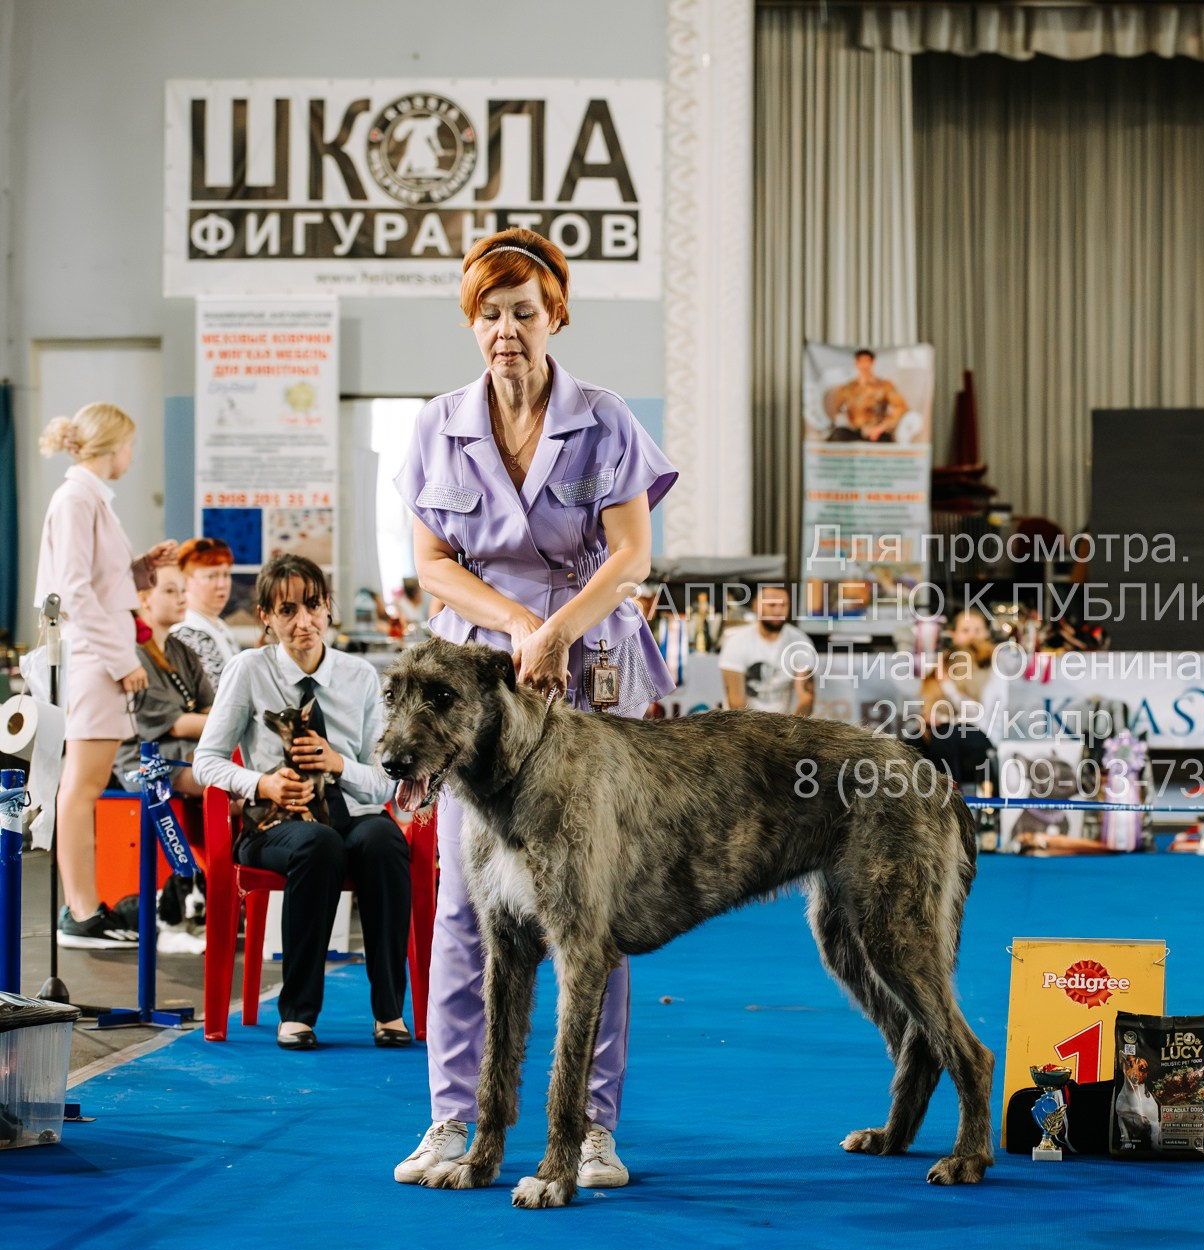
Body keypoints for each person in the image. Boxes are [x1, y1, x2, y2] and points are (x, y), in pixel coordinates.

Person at [393, 227, 676, 1189]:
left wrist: (558, 630)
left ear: (556, 314)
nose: (506, 330)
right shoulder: (437, 424)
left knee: (590, 908)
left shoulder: (605, 419)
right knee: (468, 907)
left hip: (590, 673)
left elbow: (631, 555)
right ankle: (450, 1120)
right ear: (470, 324)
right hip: (473, 688)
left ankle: (592, 1126)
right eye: (488, 313)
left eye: (523, 310)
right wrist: (520, 621)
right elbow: (432, 563)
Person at [193, 554, 412, 1051]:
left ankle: (390, 1011)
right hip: (276, 825)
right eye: (287, 610)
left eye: (312, 606)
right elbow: (205, 761)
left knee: (383, 839)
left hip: (350, 813)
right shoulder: (248, 669)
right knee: (318, 845)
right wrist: (260, 784)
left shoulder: (360, 677)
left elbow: (384, 784)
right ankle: (296, 1013)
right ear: (266, 617)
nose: (303, 622)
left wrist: (338, 763)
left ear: (329, 608)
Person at [32, 403, 179, 948]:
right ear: (115, 444)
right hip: (95, 655)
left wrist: (138, 568)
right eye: (131, 445)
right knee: (82, 787)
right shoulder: (76, 498)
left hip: (101, 649)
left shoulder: (89, 498)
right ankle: (80, 909)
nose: (132, 455)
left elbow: (96, 577)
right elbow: (73, 591)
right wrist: (122, 662)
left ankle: (84, 905)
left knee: (86, 786)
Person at [119, 563, 214, 798]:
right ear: (144, 598)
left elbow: (210, 706)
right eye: (170, 591)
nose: (182, 599)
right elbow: (176, 725)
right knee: (227, 782)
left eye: (183, 591)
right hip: (144, 759)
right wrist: (237, 724)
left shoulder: (182, 650)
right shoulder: (133, 654)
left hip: (189, 748)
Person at [915, 606, 1010, 792]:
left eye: (978, 630)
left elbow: (977, 712)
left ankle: (949, 805)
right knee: (911, 743)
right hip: (953, 732)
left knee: (945, 736)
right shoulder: (945, 662)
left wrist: (947, 686)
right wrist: (930, 718)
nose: (972, 636)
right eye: (966, 630)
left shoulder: (993, 664)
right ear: (954, 634)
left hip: (983, 734)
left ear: (986, 633)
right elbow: (934, 703)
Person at [719, 585, 816, 715]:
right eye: (772, 605)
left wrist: (793, 730)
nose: (778, 611)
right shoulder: (736, 642)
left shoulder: (800, 642)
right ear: (756, 607)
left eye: (784, 605)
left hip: (782, 726)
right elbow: (736, 702)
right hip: (741, 726)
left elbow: (806, 698)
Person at [169, 536, 240, 689]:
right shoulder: (186, 629)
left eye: (226, 575)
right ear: (186, 580)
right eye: (211, 576)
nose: (222, 584)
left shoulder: (218, 624)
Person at [823, 349, 907, 442]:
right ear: (856, 363)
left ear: (872, 363)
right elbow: (837, 410)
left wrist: (881, 428)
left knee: (885, 442)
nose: (864, 366)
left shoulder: (884, 385)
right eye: (861, 362)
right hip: (854, 431)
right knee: (838, 436)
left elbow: (901, 407)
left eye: (866, 362)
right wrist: (845, 421)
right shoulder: (847, 387)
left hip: (876, 432)